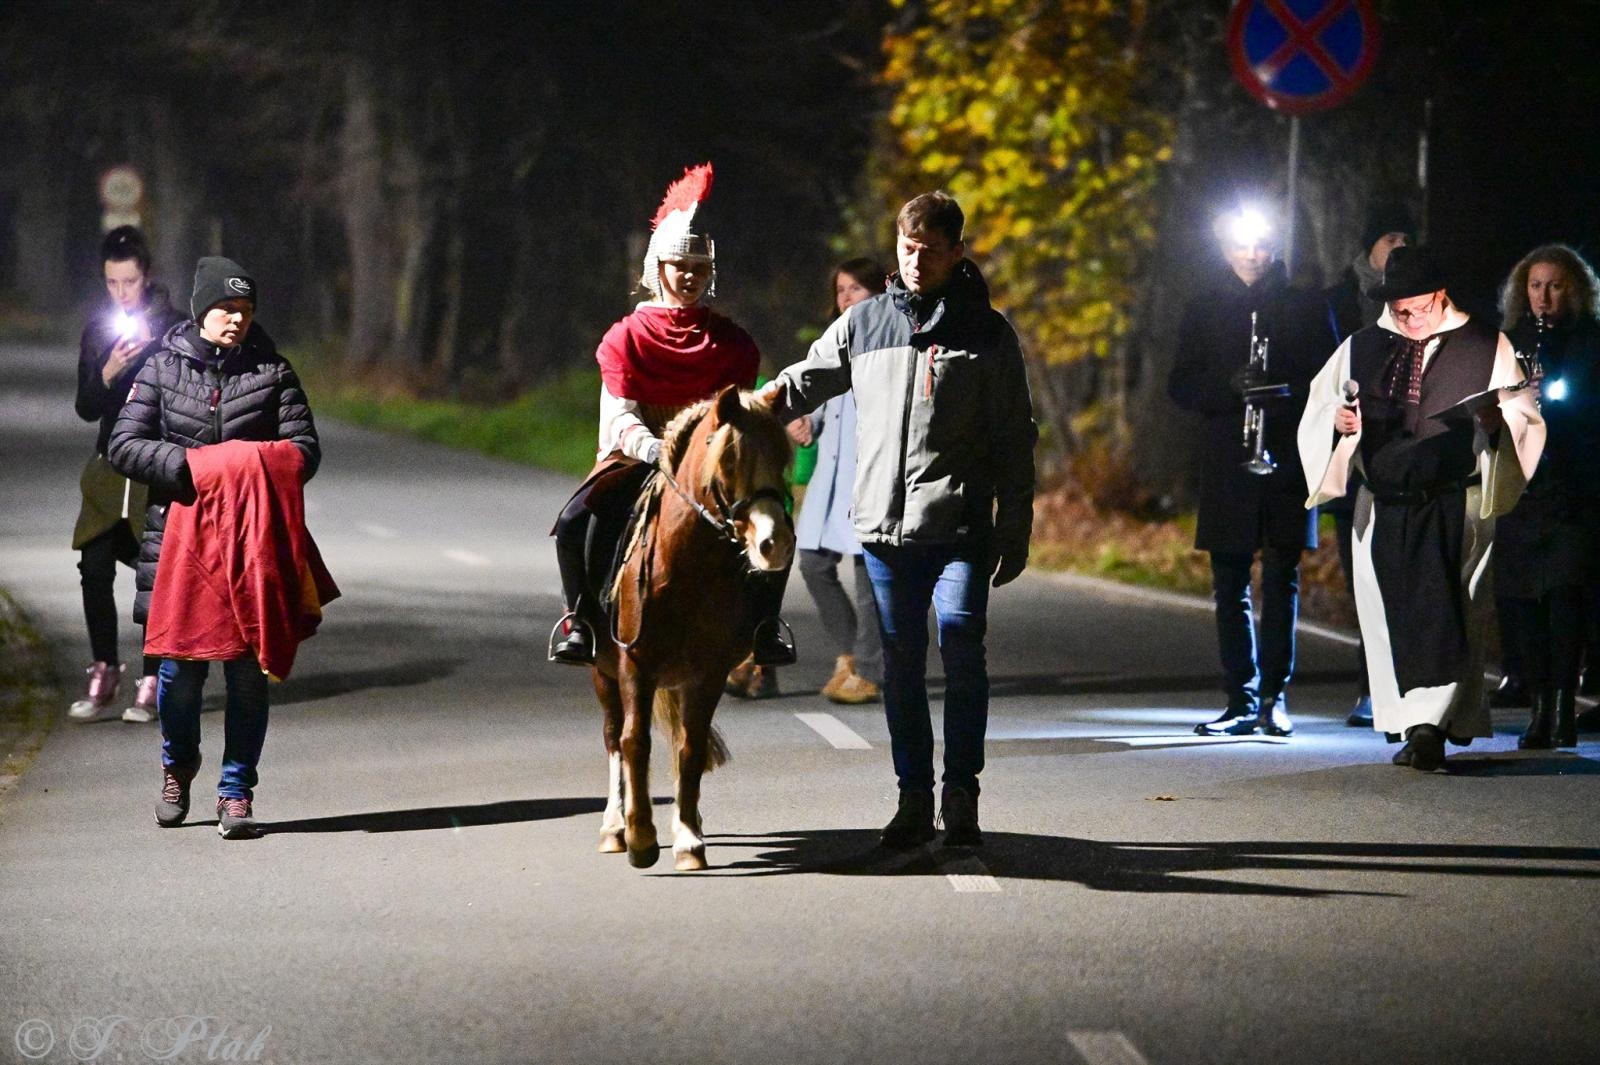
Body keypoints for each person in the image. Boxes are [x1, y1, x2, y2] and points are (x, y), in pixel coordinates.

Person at [762, 191, 1036, 850]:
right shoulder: (866, 322)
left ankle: (961, 792)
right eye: (907, 249)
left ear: (956, 252)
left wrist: (1015, 523)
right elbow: (807, 378)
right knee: (901, 668)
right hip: (884, 532)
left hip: (962, 527)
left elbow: (1013, 437)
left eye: (931, 250)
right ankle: (914, 798)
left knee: (963, 646)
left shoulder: (987, 333)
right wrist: (760, 401)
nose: (916, 261)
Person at [1299, 245, 1544, 772]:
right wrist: (1341, 427)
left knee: (1452, 609)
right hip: (1383, 505)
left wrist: (1497, 424)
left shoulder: (1486, 344)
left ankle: (1435, 724)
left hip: (1455, 503)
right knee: (1390, 616)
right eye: (1400, 311)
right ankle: (1412, 723)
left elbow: (1525, 415)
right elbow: (1319, 413)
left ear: (1440, 296)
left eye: (1419, 308)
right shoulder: (1360, 348)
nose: (1410, 320)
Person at [548, 163, 794, 669]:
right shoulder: (626, 338)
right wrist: (657, 449)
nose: (688, 277)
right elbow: (619, 417)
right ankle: (582, 622)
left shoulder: (732, 343)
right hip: (639, 456)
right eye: (679, 266)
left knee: (774, 519)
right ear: (657, 268)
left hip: (711, 468)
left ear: (710, 274)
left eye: (698, 269)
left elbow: (739, 416)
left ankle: (765, 625)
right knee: (575, 522)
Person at [109, 256, 322, 837]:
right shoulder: (159, 369)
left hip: (253, 544)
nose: (236, 321)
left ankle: (235, 792)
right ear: (203, 311)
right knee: (179, 673)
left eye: (245, 312)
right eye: (226, 310)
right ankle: (178, 766)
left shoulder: (274, 372)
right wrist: (192, 467)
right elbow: (123, 445)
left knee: (248, 673)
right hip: (179, 543)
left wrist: (244, 465)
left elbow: (304, 450)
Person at [1168, 206, 1333, 738]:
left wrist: (1283, 391)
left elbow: (1331, 378)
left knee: (1283, 579)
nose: (1253, 255)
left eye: (1262, 245)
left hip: (1286, 458)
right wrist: (1229, 386)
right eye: (1242, 245)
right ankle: (1239, 696)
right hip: (1228, 461)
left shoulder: (1307, 306)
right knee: (1229, 583)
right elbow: (1181, 385)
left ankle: (1274, 698)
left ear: (1276, 247)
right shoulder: (1204, 307)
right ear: (1225, 248)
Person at [68, 226, 184, 723]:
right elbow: (86, 408)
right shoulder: (99, 331)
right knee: (93, 568)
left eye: (130, 282)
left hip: (153, 469)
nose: (121, 293)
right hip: (108, 472)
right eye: (112, 284)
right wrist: (109, 370)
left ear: (147, 276)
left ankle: (154, 677)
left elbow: (186, 401)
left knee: (152, 576)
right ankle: (103, 670)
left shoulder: (175, 327)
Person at [1494, 244, 1600, 747]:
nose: (1544, 296)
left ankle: (1561, 707)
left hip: (1573, 487)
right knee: (1524, 601)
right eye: (1535, 286)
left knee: (1565, 599)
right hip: (1523, 488)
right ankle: (1538, 704)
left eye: (1554, 285)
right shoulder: (1510, 342)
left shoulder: (1590, 341)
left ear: (1573, 289)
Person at [1323, 205, 1412, 728]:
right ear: (1369, 246)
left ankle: (1410, 686)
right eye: (1389, 234)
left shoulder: (1428, 305)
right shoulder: (1337, 302)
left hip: (1407, 458)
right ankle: (1369, 684)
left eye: (1406, 235)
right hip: (1353, 460)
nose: (1398, 243)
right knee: (1364, 580)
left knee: (1407, 578)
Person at [787, 258, 888, 705]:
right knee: (813, 564)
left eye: (856, 289)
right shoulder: (830, 344)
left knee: (870, 581)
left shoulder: (889, 343)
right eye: (841, 290)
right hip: (830, 484)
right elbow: (817, 400)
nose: (846, 298)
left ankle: (870, 670)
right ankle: (850, 654)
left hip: (871, 479)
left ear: (879, 292)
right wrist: (805, 420)